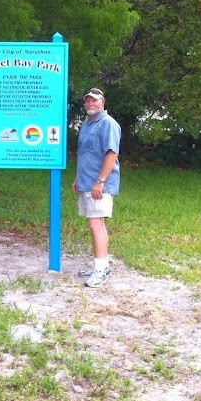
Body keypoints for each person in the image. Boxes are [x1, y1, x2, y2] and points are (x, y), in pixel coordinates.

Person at [73, 88, 121, 288]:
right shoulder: (87, 123)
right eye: (88, 101)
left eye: (95, 101)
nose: (91, 104)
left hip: (98, 185)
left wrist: (100, 181)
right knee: (93, 224)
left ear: (103, 102)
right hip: (86, 182)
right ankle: (98, 265)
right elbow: (84, 153)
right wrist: (78, 178)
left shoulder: (108, 124)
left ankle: (102, 270)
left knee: (96, 224)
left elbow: (112, 154)